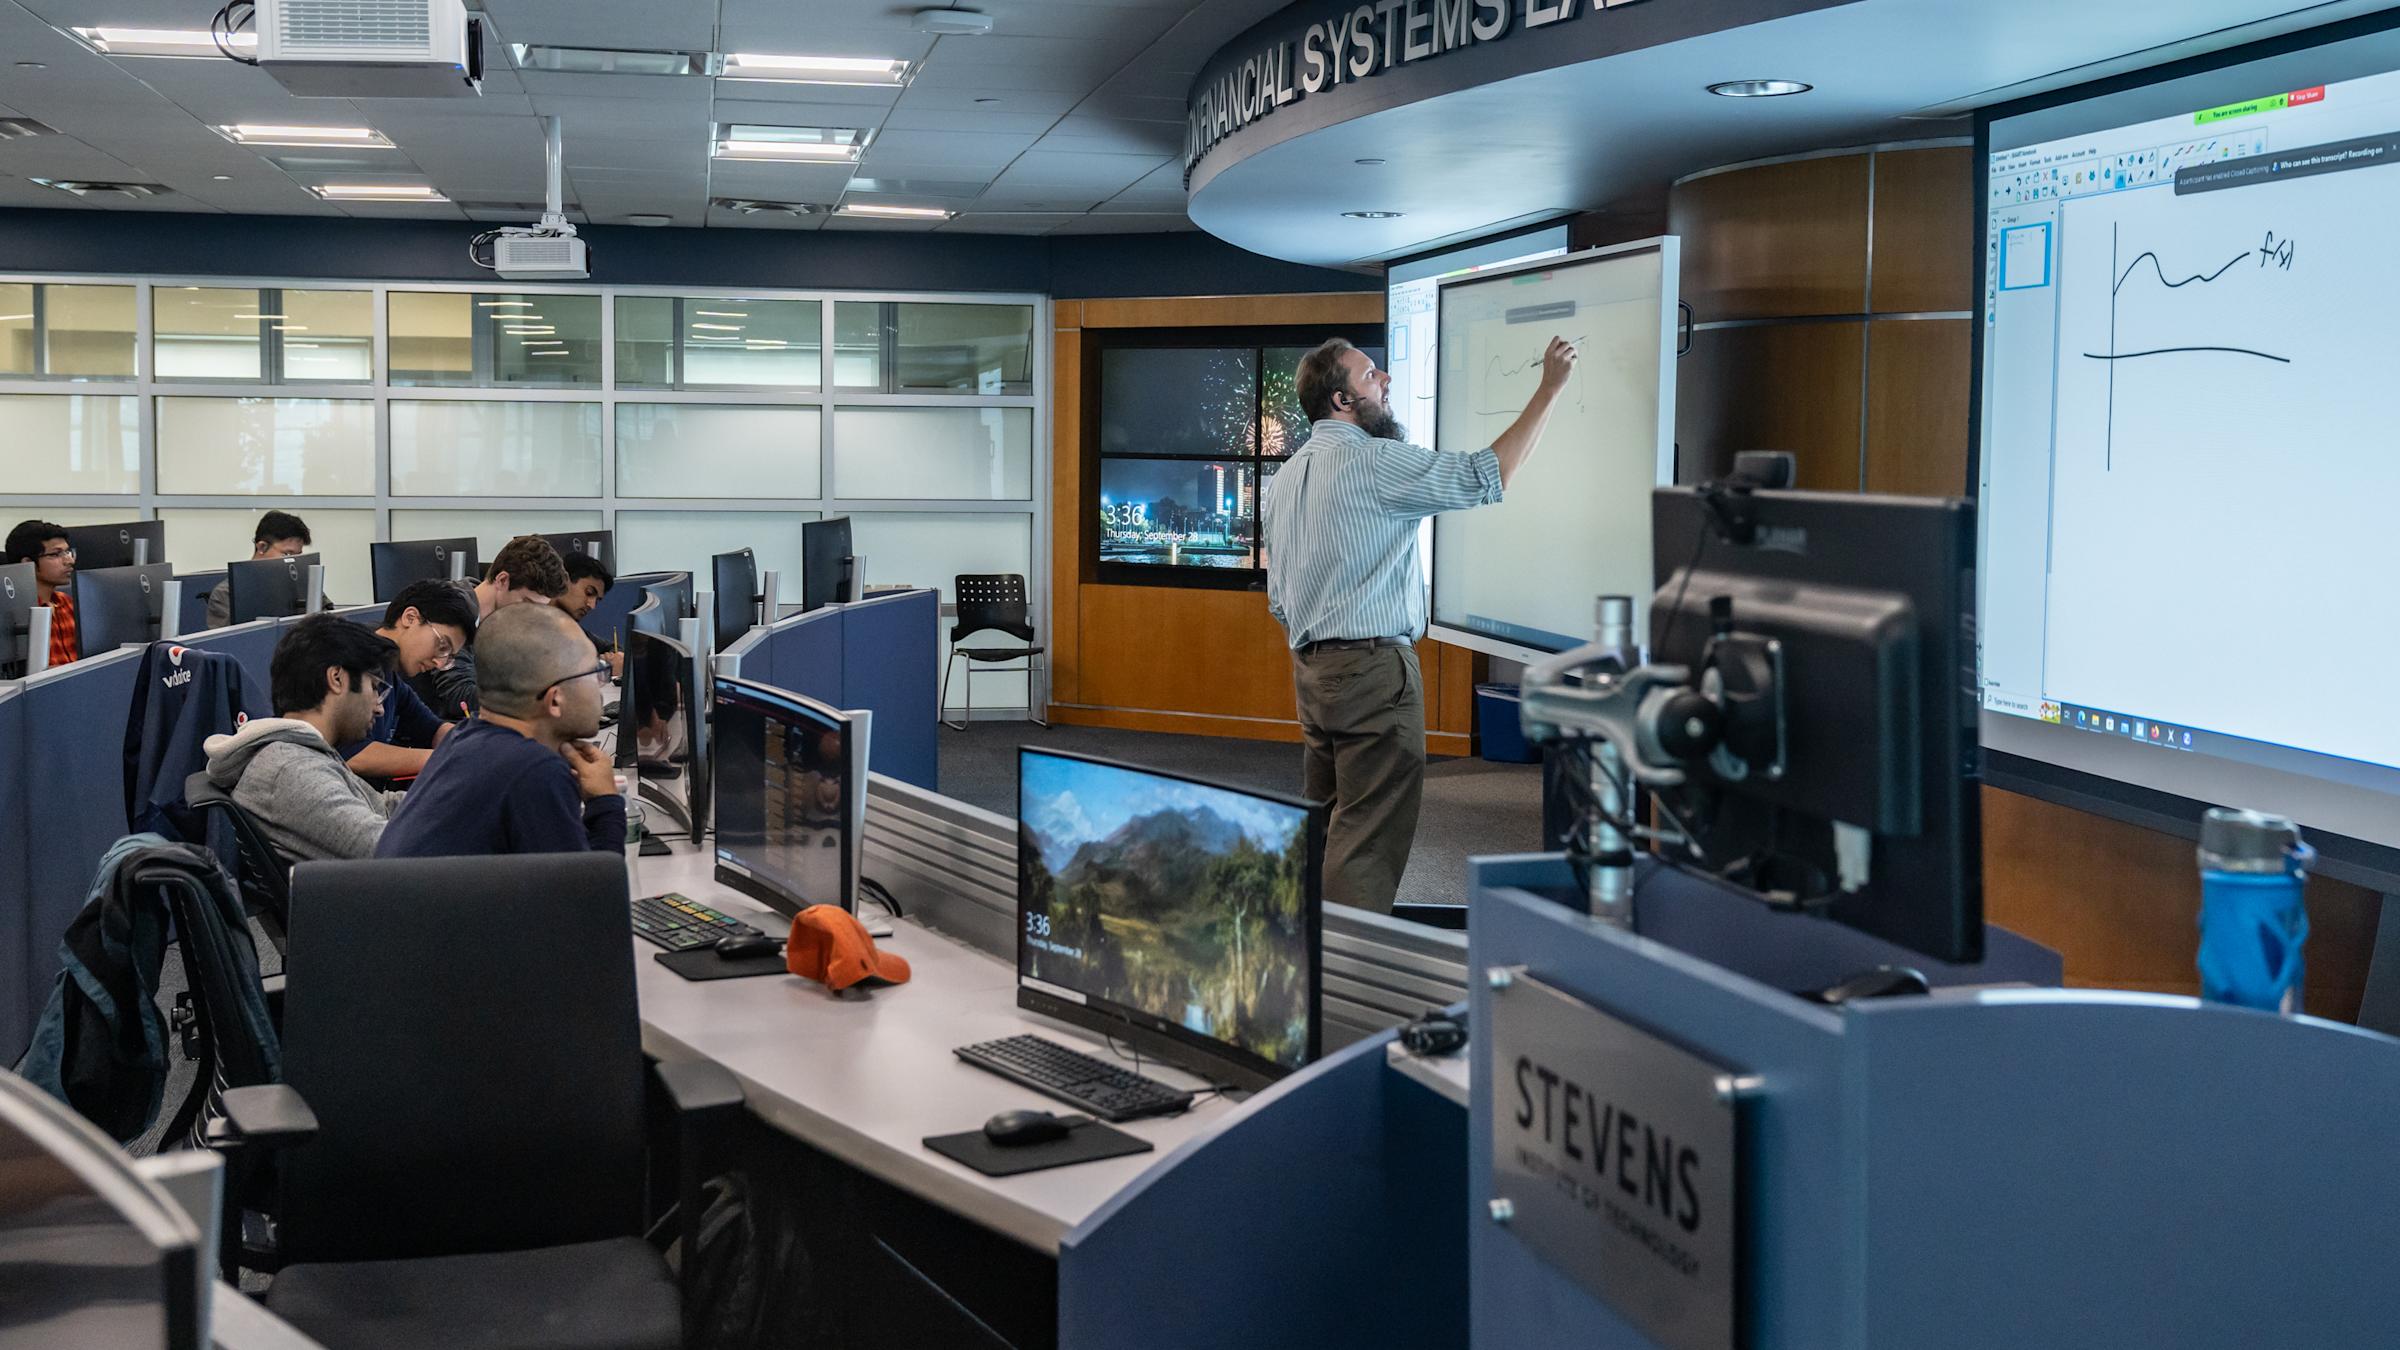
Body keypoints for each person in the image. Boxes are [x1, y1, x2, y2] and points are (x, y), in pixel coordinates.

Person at [1260, 335, 1577, 912]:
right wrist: (1549, 390)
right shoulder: (1375, 461)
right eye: (1371, 375)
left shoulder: (1284, 481)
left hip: (1312, 674)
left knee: (1327, 827)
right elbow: (1486, 475)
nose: (1385, 381)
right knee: (1368, 840)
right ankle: (1352, 961)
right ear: (1342, 400)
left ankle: (1308, 951)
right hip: (1374, 674)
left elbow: (1278, 600)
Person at [375, 603, 626, 858]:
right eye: (594, 673)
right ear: (555, 699)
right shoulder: (534, 771)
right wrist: (605, 801)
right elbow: (597, 882)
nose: (600, 685)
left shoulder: (464, 739)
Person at [203, 615, 406, 861]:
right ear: (337, 679)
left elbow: (380, 806)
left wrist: (444, 797)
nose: (379, 708)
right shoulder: (291, 770)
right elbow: (393, 849)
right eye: (373, 687)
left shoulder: (302, 754)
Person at [413, 534, 569, 720]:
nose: (529, 615)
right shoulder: (454, 612)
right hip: (441, 729)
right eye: (527, 603)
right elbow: (458, 695)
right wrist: (530, 700)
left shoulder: (499, 620)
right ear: (502, 580)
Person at [339, 579, 477, 782]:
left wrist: (476, 745)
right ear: (410, 618)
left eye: (449, 656)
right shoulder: (350, 659)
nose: (440, 663)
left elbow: (433, 729)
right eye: (442, 646)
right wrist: (444, 758)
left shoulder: (391, 675)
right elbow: (351, 755)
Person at [204, 510, 314, 630]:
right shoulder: (226, 594)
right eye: (287, 554)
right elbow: (226, 640)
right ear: (262, 547)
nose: (293, 562)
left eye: (298, 556)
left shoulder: (301, 584)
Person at [4, 520, 78, 668]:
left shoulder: (67, 603)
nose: (70, 561)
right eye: (56, 554)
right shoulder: (15, 615)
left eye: (67, 552)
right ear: (28, 563)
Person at [555, 551, 623, 679]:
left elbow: (610, 647)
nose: (592, 605)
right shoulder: (536, 624)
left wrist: (615, 658)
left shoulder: (568, 624)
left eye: (597, 600)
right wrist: (603, 664)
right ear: (563, 580)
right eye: (589, 592)